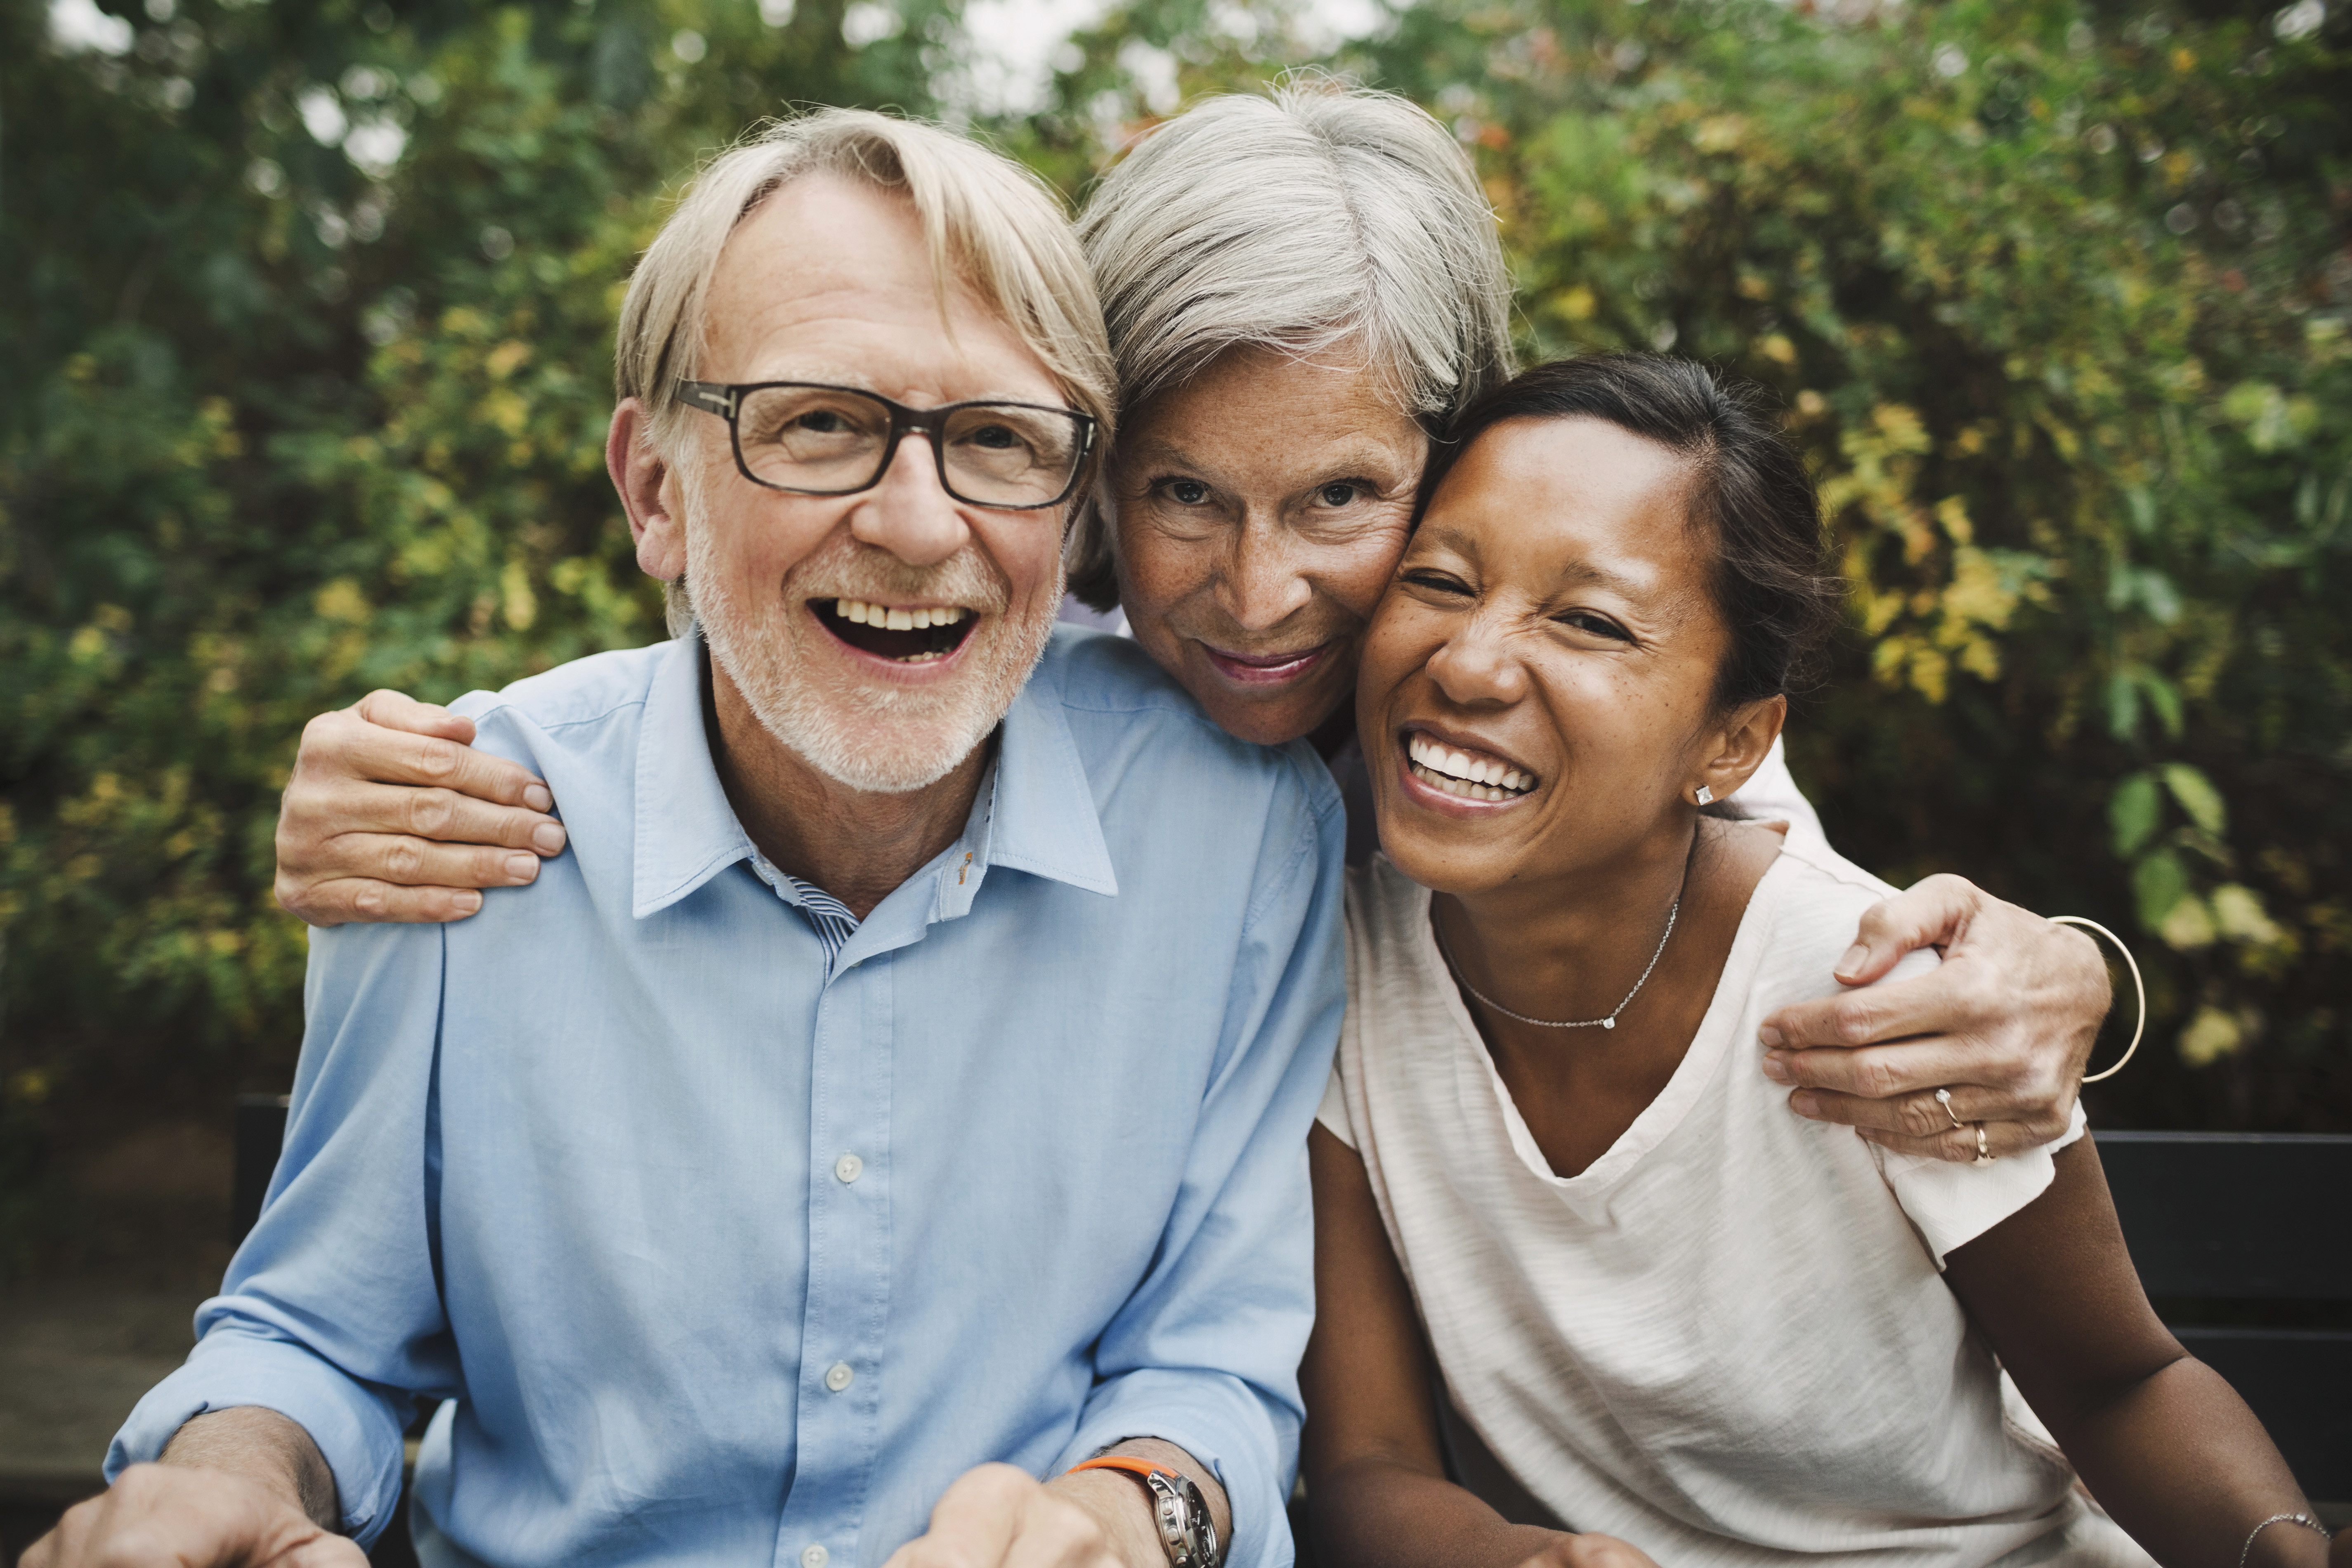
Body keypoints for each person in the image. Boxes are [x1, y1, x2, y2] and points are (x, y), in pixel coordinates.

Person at [271, 84, 2114, 1165]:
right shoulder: (1001, 673)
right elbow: (755, 673)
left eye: (1343, 501)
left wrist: (2074, 969)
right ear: (1080, 468)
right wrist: (424, 767)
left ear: (1455, 465)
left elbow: (1789, 870)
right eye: (1181, 495)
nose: (1254, 597)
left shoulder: (1540, 724)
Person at [31, 112, 1342, 1568]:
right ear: (657, 490)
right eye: (820, 423)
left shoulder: (1235, 835)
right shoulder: (453, 816)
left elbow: (1212, 1369)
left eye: (996, 441)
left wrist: (1112, 1526)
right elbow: (317, 1334)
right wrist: (233, 1469)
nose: (919, 525)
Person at [1301, 355, 2328, 1568]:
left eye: (1586, 621)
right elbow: (1369, 1465)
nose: (1469, 664)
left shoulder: (1879, 991)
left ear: (1732, 742)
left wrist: (2282, 1552)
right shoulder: (1335, 975)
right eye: (1437, 580)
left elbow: (2118, 1386)